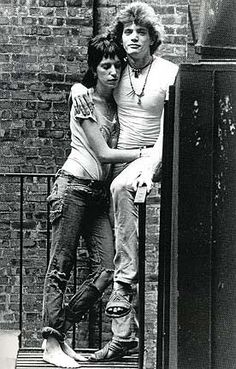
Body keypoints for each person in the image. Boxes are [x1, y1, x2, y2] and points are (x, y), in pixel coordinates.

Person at [71, 2, 179, 362]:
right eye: (128, 32)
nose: (133, 38)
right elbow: (89, 86)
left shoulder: (168, 73)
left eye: (141, 32)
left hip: (152, 156)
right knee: (116, 238)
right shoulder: (117, 72)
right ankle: (123, 337)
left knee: (120, 191)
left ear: (152, 38)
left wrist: (150, 164)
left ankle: (123, 286)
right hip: (123, 160)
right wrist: (74, 88)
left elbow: (169, 129)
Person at [42, 33, 152, 368]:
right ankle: (50, 343)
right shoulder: (83, 98)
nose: (113, 71)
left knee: (107, 269)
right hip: (73, 187)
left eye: (117, 65)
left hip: (98, 196)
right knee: (61, 267)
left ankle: (57, 331)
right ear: (95, 68)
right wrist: (145, 153)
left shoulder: (117, 102)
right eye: (106, 65)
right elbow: (103, 154)